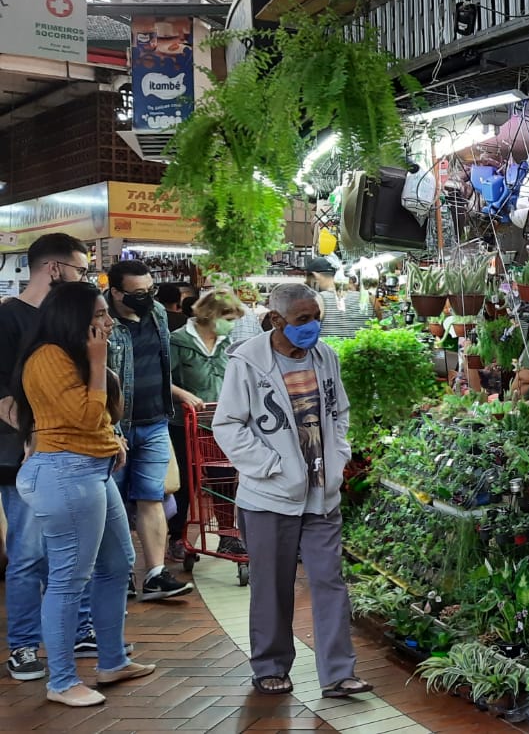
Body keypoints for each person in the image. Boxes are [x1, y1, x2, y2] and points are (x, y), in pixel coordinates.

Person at [213, 283, 370, 699]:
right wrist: (271, 467)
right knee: (272, 585)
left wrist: (337, 459)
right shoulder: (247, 362)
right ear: (278, 320)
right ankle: (269, 666)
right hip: (269, 496)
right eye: (303, 320)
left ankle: (338, 674)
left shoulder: (327, 358)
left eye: (316, 317)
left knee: (329, 581)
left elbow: (339, 412)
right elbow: (227, 424)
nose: (313, 327)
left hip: (322, 492)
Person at [14, 281, 155, 706]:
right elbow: (84, 415)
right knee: (68, 579)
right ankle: (61, 682)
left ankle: (111, 660)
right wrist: (97, 363)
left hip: (90, 470)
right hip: (64, 474)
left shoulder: (76, 357)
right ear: (73, 318)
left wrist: (112, 438)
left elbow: (105, 417)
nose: (108, 322)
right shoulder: (48, 358)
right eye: (99, 315)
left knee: (118, 562)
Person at [0, 234, 101, 680]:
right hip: (24, 456)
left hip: (77, 455)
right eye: (81, 270)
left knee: (75, 552)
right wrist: (33, 435)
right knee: (27, 553)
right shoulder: (8, 319)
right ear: (55, 269)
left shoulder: (68, 319)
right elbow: (3, 393)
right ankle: (23, 645)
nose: (86, 279)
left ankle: (78, 628)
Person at [105, 260, 196, 601]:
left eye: (151, 290)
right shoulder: (101, 320)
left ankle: (156, 574)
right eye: (138, 293)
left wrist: (175, 393)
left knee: (152, 496)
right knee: (112, 504)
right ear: (116, 292)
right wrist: (109, 428)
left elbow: (161, 364)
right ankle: (119, 573)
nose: (147, 297)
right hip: (117, 428)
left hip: (155, 421)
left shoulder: (157, 312)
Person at [167, 289, 248, 560]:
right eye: (228, 318)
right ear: (211, 315)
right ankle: (177, 536)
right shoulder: (178, 341)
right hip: (185, 424)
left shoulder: (228, 344)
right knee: (184, 484)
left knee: (224, 479)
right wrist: (182, 395)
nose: (231, 324)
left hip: (221, 424)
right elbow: (160, 379)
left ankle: (228, 535)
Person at [305, 257, 374, 339]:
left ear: (314, 275)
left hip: (328, 351)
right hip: (360, 350)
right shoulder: (368, 299)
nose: (306, 282)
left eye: (307, 279)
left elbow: (306, 333)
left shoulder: (317, 300)